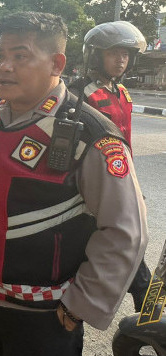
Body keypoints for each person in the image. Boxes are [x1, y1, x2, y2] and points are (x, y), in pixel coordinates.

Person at [0, 11, 148, 355]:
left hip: (45, 315)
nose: (5, 66)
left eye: (20, 56)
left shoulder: (89, 133)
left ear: (56, 63)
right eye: (0, 55)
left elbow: (125, 230)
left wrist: (81, 304)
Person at [72, 20, 150, 311]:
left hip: (121, 177)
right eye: (113, 53)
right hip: (93, 185)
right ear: (95, 55)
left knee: (127, 239)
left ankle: (147, 302)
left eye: (126, 55)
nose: (121, 60)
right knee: (126, 240)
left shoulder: (122, 93)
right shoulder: (80, 94)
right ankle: (148, 302)